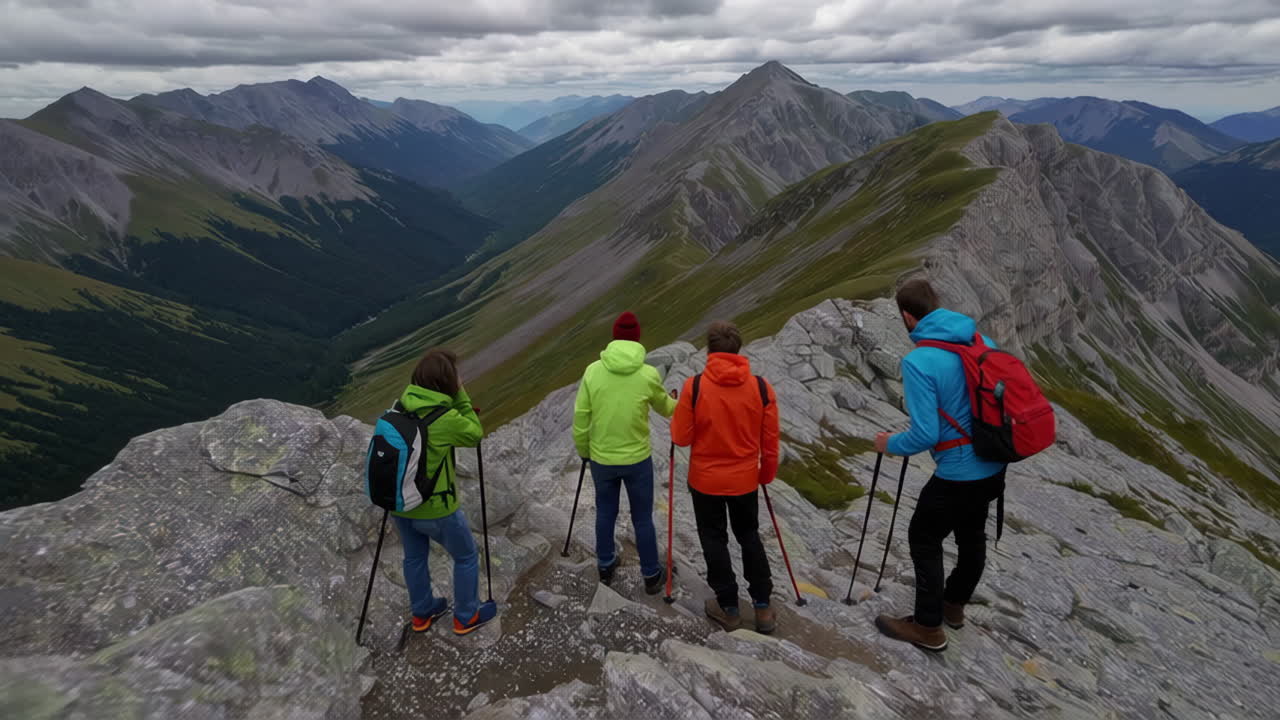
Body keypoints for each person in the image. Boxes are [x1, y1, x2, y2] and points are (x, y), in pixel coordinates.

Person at [873, 279, 1007, 652]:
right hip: (993, 466)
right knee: (971, 535)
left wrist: (890, 444)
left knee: (924, 537)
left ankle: (929, 627)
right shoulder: (981, 342)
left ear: (906, 316)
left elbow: (926, 434)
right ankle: (954, 605)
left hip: (957, 473)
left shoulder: (919, 361)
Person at [671, 321, 780, 634]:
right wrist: (765, 475)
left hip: (705, 481)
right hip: (745, 479)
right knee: (749, 535)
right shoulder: (761, 388)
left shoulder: (695, 387)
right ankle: (762, 607)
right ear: (738, 349)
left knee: (713, 538)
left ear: (710, 350)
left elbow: (680, 437)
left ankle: (729, 607)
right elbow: (770, 442)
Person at [391, 348, 498, 635]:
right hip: (436, 507)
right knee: (465, 556)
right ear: (446, 383)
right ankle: (465, 616)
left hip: (399, 504)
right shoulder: (445, 418)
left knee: (414, 557)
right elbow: (474, 433)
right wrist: (461, 395)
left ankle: (422, 613)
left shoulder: (398, 407)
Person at [573, 311, 678, 593]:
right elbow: (667, 408)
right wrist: (676, 401)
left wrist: (584, 451)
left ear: (614, 337)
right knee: (642, 517)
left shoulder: (593, 371)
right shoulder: (648, 374)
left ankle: (605, 566)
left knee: (605, 512)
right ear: (637, 339)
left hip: (602, 459)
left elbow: (581, 417)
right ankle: (651, 575)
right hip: (637, 460)